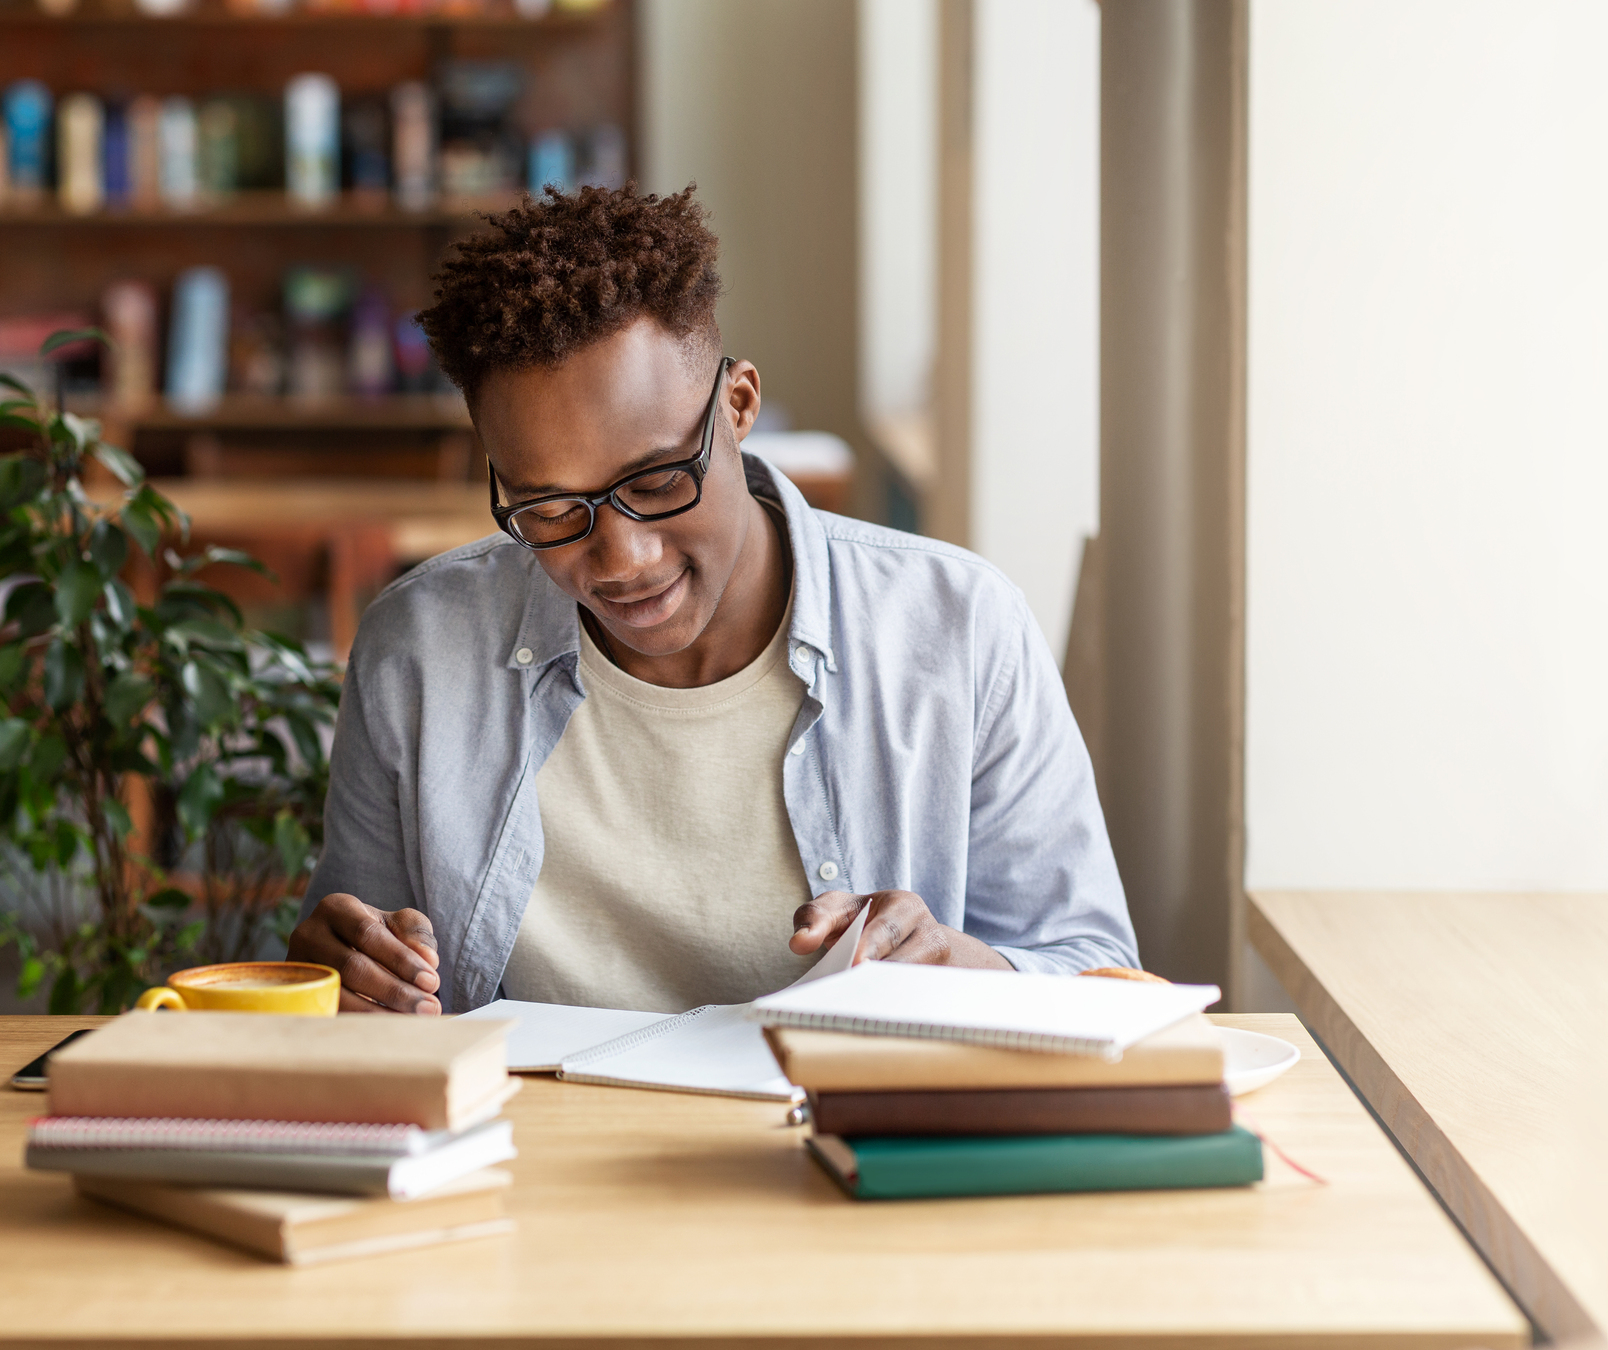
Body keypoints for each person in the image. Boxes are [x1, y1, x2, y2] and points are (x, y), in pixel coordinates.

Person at [288, 184, 1136, 1015]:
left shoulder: (959, 630)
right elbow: (361, 995)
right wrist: (344, 982)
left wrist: (965, 969)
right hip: (528, 1152)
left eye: (657, 481)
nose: (623, 557)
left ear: (738, 406)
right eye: (549, 508)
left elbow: (1101, 975)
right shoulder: (420, 650)